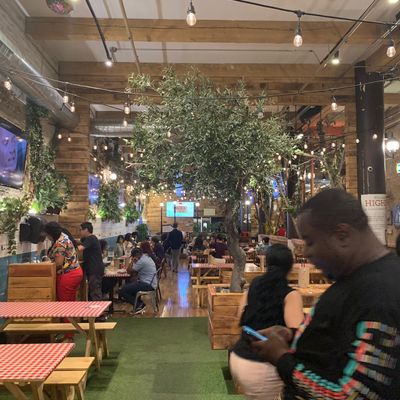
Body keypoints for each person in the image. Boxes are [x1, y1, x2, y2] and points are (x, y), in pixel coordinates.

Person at [251, 189, 400, 399]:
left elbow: (355, 395)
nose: (306, 252)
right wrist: (293, 335)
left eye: (310, 242)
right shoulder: (356, 279)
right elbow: (342, 343)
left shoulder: (381, 293)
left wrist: (282, 358)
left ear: (342, 235)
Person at [230, 244, 304, 400]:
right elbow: (297, 334)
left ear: (267, 262)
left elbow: (239, 315)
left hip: (239, 356)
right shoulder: (290, 295)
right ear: (290, 267)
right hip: (263, 366)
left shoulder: (254, 285)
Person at [44, 222, 83, 303]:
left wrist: (47, 267)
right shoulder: (64, 236)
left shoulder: (60, 244)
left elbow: (59, 263)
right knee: (70, 301)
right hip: (75, 272)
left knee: (64, 303)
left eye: (47, 235)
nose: (47, 237)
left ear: (51, 233)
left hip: (68, 275)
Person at [119, 248, 157, 314]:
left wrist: (132, 261)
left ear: (136, 255)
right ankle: (139, 304)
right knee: (131, 285)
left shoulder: (141, 261)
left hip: (147, 284)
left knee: (122, 290)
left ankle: (139, 305)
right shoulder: (147, 258)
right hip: (151, 283)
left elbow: (129, 271)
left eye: (133, 256)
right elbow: (134, 273)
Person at [78, 222, 105, 302]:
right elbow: (79, 241)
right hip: (94, 268)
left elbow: (80, 248)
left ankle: (99, 309)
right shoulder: (90, 239)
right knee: (93, 291)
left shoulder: (91, 238)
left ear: (86, 230)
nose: (80, 232)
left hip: (94, 269)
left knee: (95, 292)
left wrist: (68, 245)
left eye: (80, 230)